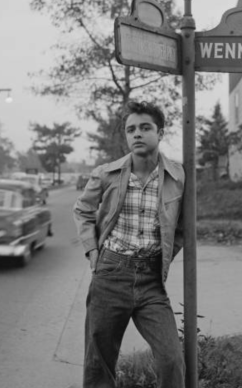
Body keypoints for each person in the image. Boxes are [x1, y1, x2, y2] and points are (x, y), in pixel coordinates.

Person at [73, 100, 186, 388]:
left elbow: (183, 227)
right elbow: (82, 210)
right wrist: (93, 251)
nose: (137, 134)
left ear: (160, 133)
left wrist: (165, 257)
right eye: (131, 129)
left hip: (151, 282)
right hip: (110, 275)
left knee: (171, 359)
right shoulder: (106, 174)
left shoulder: (177, 177)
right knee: (99, 364)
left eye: (145, 127)